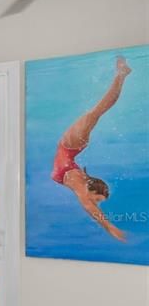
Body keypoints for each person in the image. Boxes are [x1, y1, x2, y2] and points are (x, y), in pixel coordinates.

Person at [51, 55, 131, 241]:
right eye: (98, 199)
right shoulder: (79, 183)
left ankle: (121, 75)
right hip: (71, 145)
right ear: (93, 189)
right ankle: (121, 75)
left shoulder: (78, 182)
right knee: (97, 111)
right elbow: (89, 205)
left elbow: (88, 205)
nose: (95, 203)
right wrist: (111, 228)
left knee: (97, 112)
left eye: (98, 202)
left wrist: (110, 227)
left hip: (71, 146)